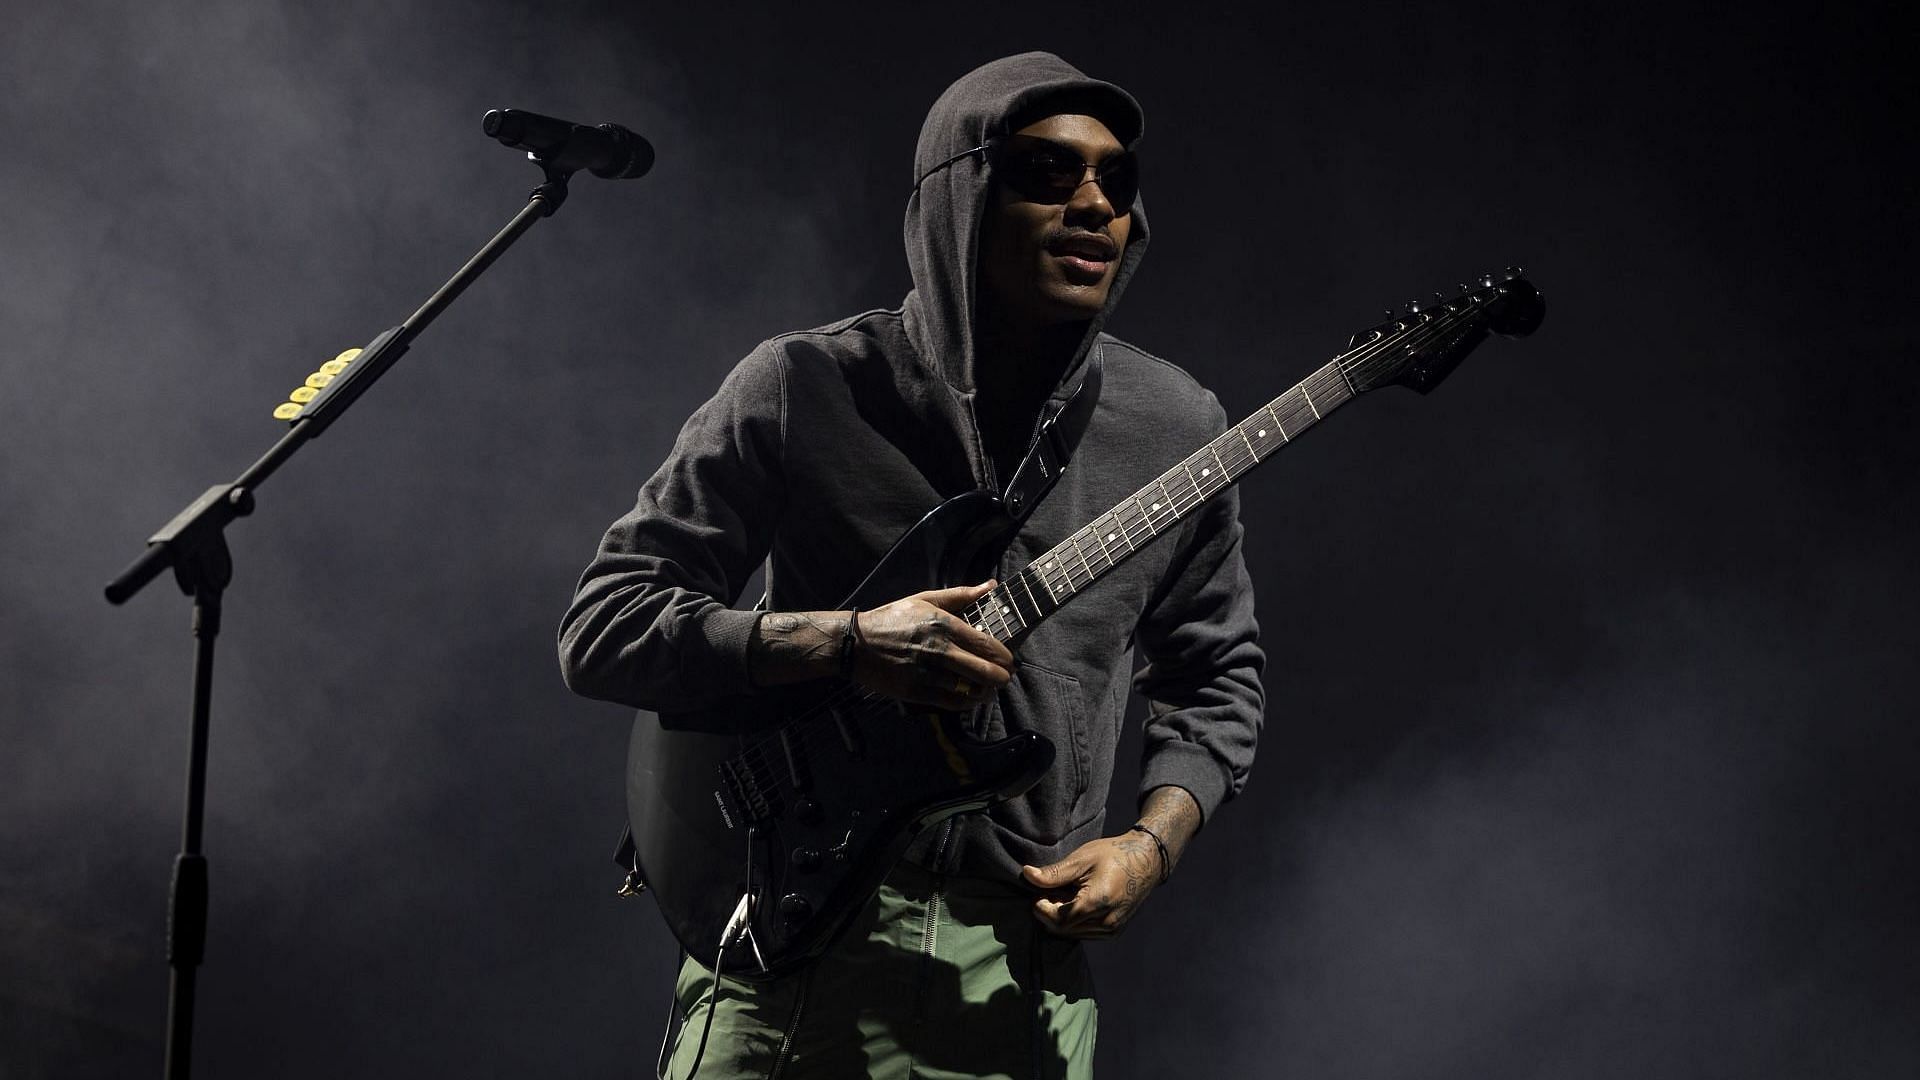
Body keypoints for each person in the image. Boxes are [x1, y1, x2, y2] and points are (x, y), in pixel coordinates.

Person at [560, 51, 1264, 1079]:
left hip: (1016, 963)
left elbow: (1218, 681)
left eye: (1117, 181)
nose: (1093, 204)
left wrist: (1150, 845)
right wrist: (846, 642)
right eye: (1046, 171)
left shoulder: (1176, 427)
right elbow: (605, 625)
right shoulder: (808, 385)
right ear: (960, 196)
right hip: (795, 945)